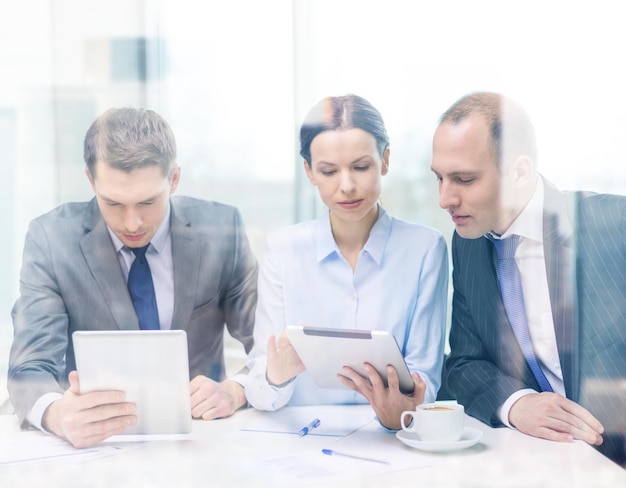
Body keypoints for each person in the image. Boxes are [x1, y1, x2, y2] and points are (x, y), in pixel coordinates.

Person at [8, 107, 258, 448]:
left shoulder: (221, 229)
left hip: (203, 438)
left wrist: (236, 390)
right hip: (97, 445)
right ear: (90, 180)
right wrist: (58, 414)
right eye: (112, 203)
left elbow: (268, 342)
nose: (132, 224)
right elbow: (29, 366)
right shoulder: (50, 239)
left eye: (147, 202)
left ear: (173, 179)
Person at [431, 91, 626, 464]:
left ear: (519, 171)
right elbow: (463, 365)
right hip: (542, 461)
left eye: (464, 179)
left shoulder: (613, 226)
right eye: (439, 178)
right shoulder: (468, 243)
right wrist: (517, 404)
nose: (445, 199)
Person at [245, 95, 448, 429]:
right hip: (302, 439)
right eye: (328, 171)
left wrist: (405, 409)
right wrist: (276, 376)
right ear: (309, 171)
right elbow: (260, 389)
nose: (347, 186)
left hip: (393, 437)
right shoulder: (283, 250)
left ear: (385, 160)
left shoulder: (426, 248)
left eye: (360, 166)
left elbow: (425, 377)